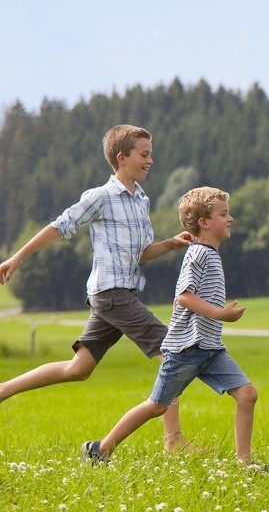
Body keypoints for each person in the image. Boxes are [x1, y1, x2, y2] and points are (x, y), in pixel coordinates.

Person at [0, 124, 195, 451]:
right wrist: (17, 257)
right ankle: (173, 439)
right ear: (122, 158)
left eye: (151, 154)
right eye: (144, 155)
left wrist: (171, 244)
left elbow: (141, 254)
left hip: (120, 294)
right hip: (112, 294)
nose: (151, 160)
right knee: (172, 351)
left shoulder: (140, 200)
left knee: (79, 368)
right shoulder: (100, 197)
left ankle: (3, 389)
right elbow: (59, 226)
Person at [81, 187, 261, 467]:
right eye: (224, 214)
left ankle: (244, 464)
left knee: (248, 394)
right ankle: (100, 448)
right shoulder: (198, 254)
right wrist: (219, 314)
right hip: (185, 350)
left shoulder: (211, 254)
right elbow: (184, 297)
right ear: (204, 223)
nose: (230, 219)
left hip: (210, 348)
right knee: (157, 406)